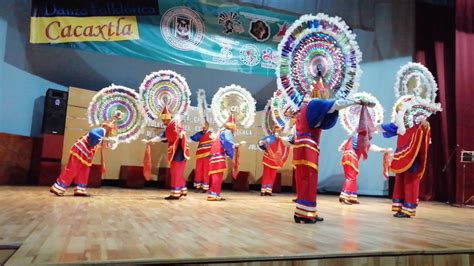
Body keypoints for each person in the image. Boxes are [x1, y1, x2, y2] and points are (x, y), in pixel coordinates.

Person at [292, 74, 366, 224]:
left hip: (302, 145)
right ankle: (305, 214)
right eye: (324, 92)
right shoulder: (314, 104)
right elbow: (335, 105)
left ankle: (306, 211)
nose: (326, 95)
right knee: (308, 179)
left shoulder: (304, 107)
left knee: (305, 179)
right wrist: (356, 101)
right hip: (307, 146)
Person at [50, 111, 122, 197]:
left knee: (84, 170)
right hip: (81, 149)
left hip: (87, 153)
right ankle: (58, 187)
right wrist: (101, 138)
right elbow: (92, 134)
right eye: (111, 129)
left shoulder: (104, 135)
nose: (112, 130)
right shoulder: (101, 130)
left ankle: (80, 189)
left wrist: (103, 164)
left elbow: (102, 150)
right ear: (107, 127)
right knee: (73, 168)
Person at [379, 118, 431, 218]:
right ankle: (400, 207)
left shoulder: (419, 123)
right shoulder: (403, 122)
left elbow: (425, 136)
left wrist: (425, 126)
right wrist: (376, 126)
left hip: (413, 158)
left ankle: (408, 209)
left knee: (410, 182)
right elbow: (391, 127)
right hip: (402, 156)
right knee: (400, 181)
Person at [144, 106, 190, 200]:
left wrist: (151, 141)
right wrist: (151, 141)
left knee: (176, 172)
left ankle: (176, 193)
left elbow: (167, 136)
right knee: (177, 171)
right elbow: (164, 136)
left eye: (163, 119)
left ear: (167, 117)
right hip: (178, 150)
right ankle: (182, 189)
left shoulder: (173, 124)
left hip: (179, 151)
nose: (162, 122)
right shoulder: (172, 125)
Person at [338, 134, 391, 204]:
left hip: (348, 156)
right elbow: (370, 147)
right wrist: (383, 150)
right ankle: (344, 196)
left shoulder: (355, 136)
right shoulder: (361, 137)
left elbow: (343, 146)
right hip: (351, 157)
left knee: (353, 177)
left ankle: (352, 197)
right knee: (351, 177)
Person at [207, 114, 243, 201]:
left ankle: (215, 194)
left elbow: (225, 144)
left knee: (216, 175)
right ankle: (213, 194)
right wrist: (235, 146)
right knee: (217, 175)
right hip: (218, 155)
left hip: (215, 154)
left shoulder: (221, 132)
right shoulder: (226, 132)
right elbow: (228, 143)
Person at [258, 125, 290, 196]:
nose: (277, 132)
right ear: (273, 130)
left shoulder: (281, 140)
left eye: (278, 130)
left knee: (272, 175)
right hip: (268, 159)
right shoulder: (269, 138)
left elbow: (284, 148)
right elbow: (261, 143)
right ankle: (263, 190)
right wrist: (262, 143)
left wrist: (288, 148)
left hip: (275, 161)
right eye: (276, 130)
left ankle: (269, 190)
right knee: (266, 174)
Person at [190, 120, 213, 192]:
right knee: (198, 170)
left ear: (207, 126)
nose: (203, 127)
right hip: (199, 155)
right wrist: (201, 133)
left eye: (205, 125)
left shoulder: (211, 134)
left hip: (207, 155)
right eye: (202, 125)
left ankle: (205, 187)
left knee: (206, 171)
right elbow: (194, 138)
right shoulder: (200, 134)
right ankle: (198, 186)